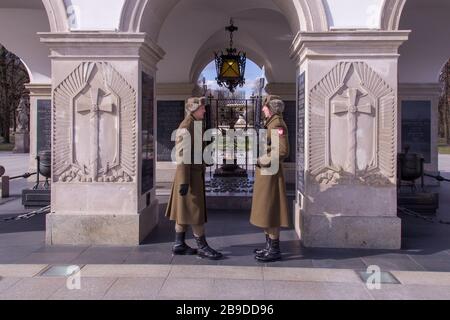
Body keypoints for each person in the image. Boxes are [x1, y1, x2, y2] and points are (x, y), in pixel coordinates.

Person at [165, 97, 223, 260]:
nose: (204, 110)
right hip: (188, 177)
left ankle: (179, 244)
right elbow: (182, 155)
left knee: (184, 210)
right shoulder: (186, 127)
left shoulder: (195, 124)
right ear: (194, 109)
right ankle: (202, 246)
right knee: (195, 211)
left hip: (193, 174)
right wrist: (184, 181)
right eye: (202, 108)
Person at [250, 95, 290, 262]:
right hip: (266, 173)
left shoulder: (277, 124)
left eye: (265, 107)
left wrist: (262, 160)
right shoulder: (271, 123)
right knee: (266, 210)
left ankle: (274, 249)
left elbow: (282, 151)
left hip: (270, 174)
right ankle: (269, 246)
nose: (263, 109)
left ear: (271, 108)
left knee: (271, 211)